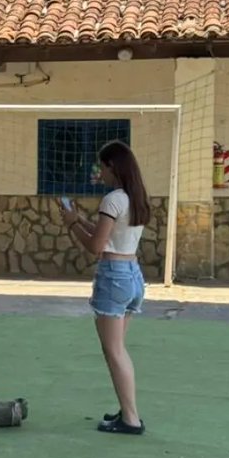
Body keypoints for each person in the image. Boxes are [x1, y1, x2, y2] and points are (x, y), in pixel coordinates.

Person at [57, 140, 150, 436]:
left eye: (102, 167)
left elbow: (96, 246)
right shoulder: (135, 197)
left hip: (114, 277)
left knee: (114, 351)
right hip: (133, 276)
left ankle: (131, 419)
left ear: (113, 167)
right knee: (119, 349)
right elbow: (108, 236)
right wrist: (79, 219)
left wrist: (71, 225)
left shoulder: (112, 200)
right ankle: (128, 410)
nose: (100, 173)